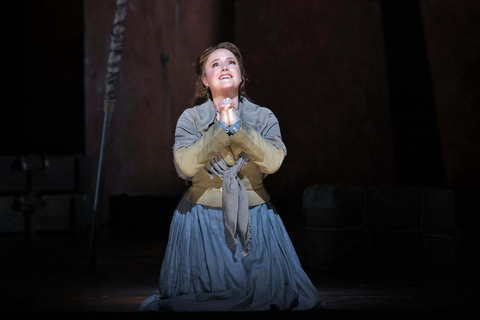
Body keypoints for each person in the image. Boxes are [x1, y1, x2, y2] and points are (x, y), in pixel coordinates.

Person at [140, 42, 322, 312]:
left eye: (230, 62)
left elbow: (273, 162)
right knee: (201, 298)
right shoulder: (190, 119)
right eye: (215, 64)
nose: (224, 66)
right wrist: (219, 131)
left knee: (272, 296)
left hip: (256, 220)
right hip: (201, 221)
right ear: (204, 80)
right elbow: (185, 166)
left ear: (241, 74)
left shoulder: (263, 117)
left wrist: (238, 127)